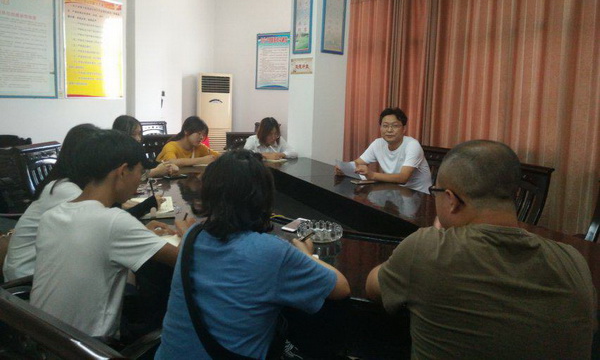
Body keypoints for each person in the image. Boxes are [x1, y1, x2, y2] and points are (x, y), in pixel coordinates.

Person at [365, 140, 597, 359]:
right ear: (514, 195)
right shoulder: (573, 260)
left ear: (451, 199)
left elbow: (373, 286)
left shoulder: (427, 248)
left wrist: (437, 237)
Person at [156, 150, 350, 359]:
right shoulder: (271, 251)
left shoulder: (192, 235)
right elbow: (341, 288)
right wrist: (308, 255)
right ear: (263, 199)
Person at [30, 129, 182, 339]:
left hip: (39, 338)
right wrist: (188, 232)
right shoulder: (113, 221)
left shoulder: (51, 216)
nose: (140, 181)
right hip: (88, 347)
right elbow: (185, 260)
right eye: (140, 173)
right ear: (122, 172)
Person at [2, 124, 100, 281]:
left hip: (40, 268)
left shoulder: (64, 183)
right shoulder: (64, 189)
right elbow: (101, 224)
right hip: (26, 276)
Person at [338, 107, 431, 194]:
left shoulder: (412, 145)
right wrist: (344, 168)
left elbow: (403, 178)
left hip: (417, 195)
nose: (389, 130)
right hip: (393, 192)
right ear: (380, 128)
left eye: (395, 126)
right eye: (385, 126)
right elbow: (357, 163)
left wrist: (372, 175)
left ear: (404, 129)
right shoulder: (378, 143)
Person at [112, 115, 179, 178]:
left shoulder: (138, 150)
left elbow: (148, 165)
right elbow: (125, 177)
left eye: (139, 134)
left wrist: (167, 166)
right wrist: (155, 172)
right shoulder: (114, 153)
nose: (138, 138)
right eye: (133, 134)